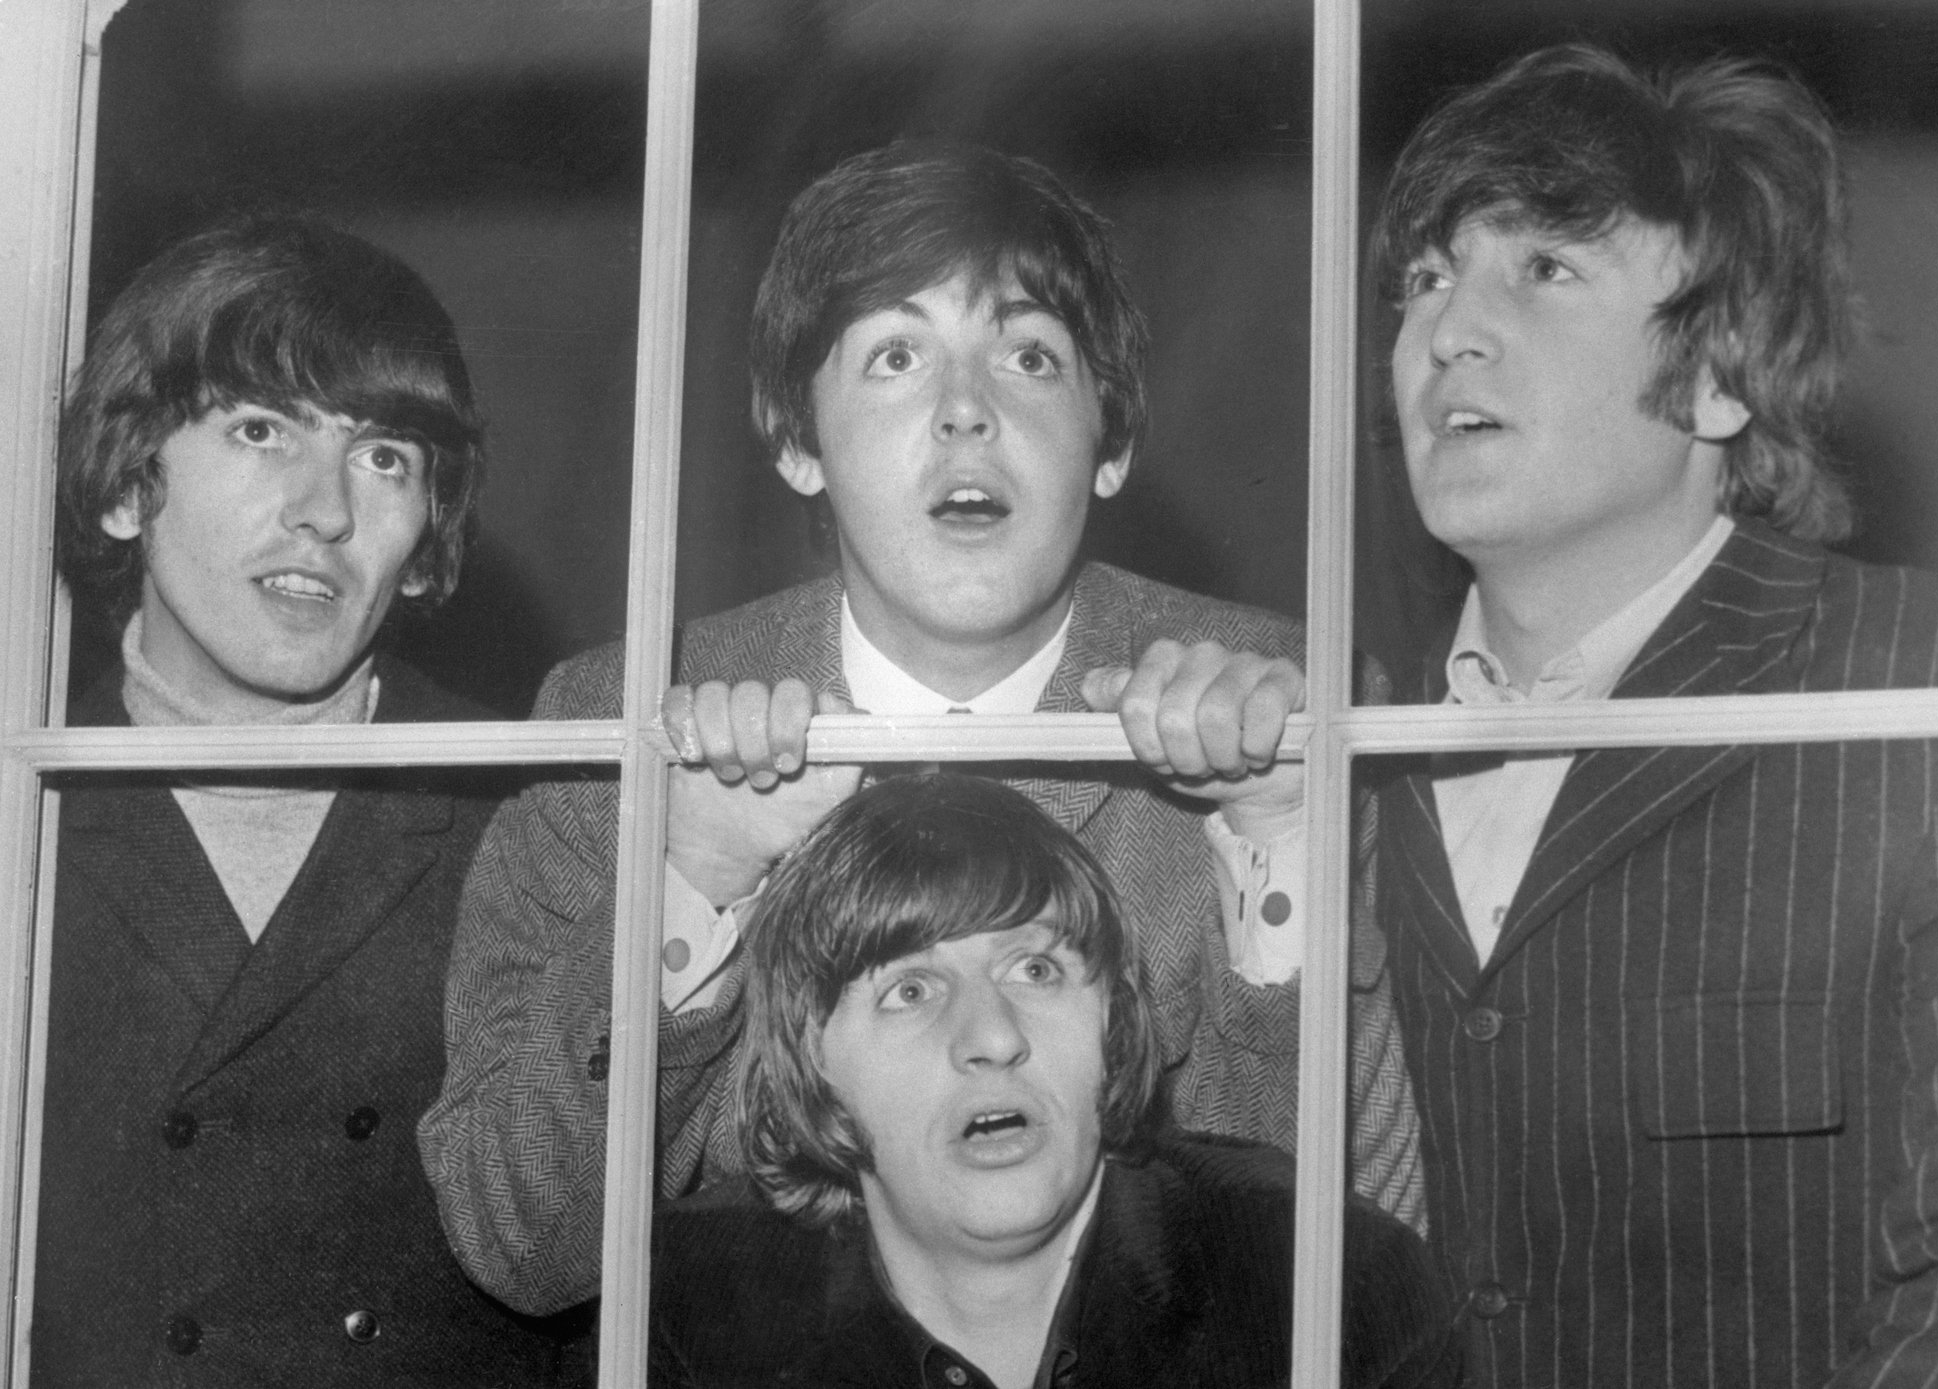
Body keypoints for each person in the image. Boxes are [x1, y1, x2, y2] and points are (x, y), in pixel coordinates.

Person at [421, 141, 1423, 1316]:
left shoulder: (1294, 705)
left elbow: (1371, 1254)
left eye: (1028, 356)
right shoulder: (619, 718)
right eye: (896, 356)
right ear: (798, 440)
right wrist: (687, 878)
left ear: (1109, 445)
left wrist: (1278, 841)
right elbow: (516, 1241)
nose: (965, 414)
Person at [1370, 43, 1938, 1388]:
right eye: (1425, 277)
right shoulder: (1339, 739)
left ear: (1719, 371)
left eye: (1544, 266)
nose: (1446, 330)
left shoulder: (1935, 688)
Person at [36, 217, 563, 1386]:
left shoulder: (530, 801)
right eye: (261, 430)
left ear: (424, 545)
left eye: (384, 457)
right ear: (129, 485)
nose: (323, 509)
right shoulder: (23, 797)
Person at [643, 772, 1455, 1389]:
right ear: (811, 1058)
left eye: (1035, 967)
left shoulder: (1331, 1281)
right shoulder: (683, 1313)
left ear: (1111, 1017)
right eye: (911, 991)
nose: (993, 1037)